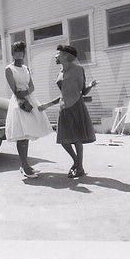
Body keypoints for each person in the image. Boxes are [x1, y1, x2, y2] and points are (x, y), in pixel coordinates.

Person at [39, 44, 98, 178]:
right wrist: (47, 105)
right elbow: (63, 94)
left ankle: (80, 167)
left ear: (66, 55)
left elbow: (82, 91)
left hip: (76, 106)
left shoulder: (78, 69)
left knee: (76, 138)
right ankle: (77, 163)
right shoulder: (60, 73)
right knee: (64, 140)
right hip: (63, 108)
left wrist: (90, 86)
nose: (55, 56)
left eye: (58, 53)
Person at [5, 41, 53, 178]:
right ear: (13, 53)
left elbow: (32, 86)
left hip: (30, 100)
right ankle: (25, 167)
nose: (19, 54)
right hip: (19, 103)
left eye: (22, 51)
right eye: (16, 51)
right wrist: (25, 92)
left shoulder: (26, 68)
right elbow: (15, 90)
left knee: (27, 135)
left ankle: (24, 164)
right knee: (22, 135)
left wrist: (26, 91)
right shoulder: (9, 69)